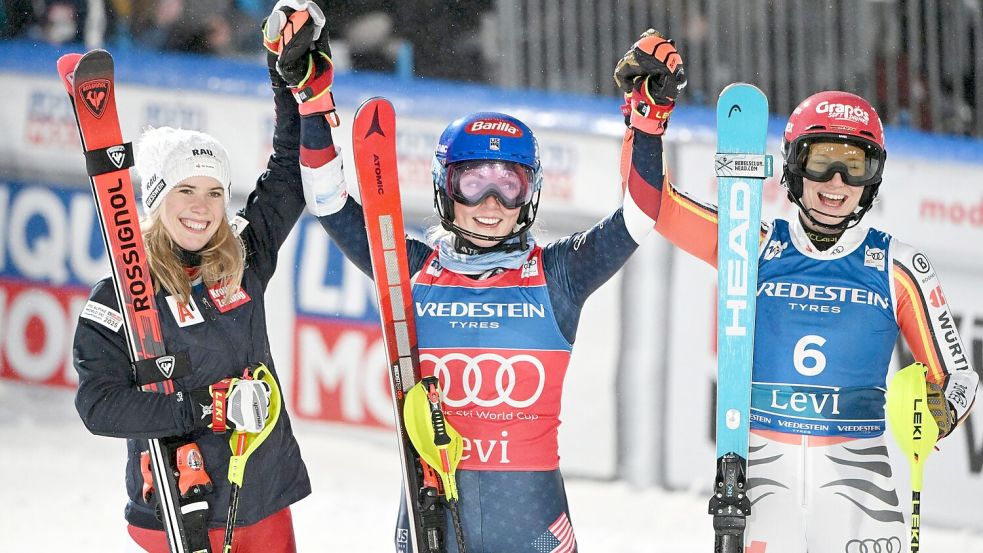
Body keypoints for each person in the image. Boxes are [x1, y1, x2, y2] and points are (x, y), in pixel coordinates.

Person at [289, 17, 685, 553]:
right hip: (429, 519)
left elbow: (639, 217)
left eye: (509, 184)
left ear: (532, 193)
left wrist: (648, 121)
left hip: (533, 530)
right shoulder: (410, 268)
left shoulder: (558, 274)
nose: (491, 205)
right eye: (473, 183)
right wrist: (311, 102)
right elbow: (330, 203)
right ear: (444, 189)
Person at [613, 30, 979, 553]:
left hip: (860, 482)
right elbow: (653, 209)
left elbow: (958, 378)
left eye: (854, 165)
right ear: (792, 166)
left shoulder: (899, 265)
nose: (835, 182)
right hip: (762, 477)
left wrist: (941, 413)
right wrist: (645, 120)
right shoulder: (749, 243)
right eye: (820, 160)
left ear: (872, 179)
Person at [71, 8, 331, 550]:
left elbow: (289, 172)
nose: (201, 207)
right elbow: (98, 404)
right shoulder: (117, 293)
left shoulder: (242, 254)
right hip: (172, 511)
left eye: (214, 191)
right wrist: (205, 409)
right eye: (184, 191)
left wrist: (284, 75)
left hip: (262, 497)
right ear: (156, 200)